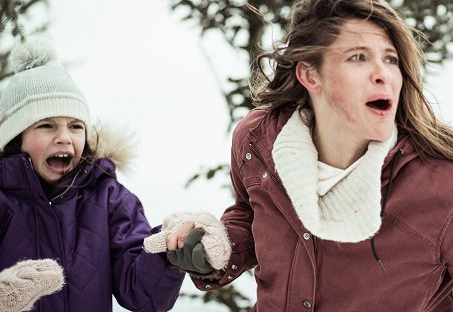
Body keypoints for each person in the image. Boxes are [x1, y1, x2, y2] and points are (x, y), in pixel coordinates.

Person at [144, 0, 453, 311]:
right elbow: (251, 215)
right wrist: (218, 245)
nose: (383, 74)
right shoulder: (257, 141)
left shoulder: (442, 183)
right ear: (310, 75)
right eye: (358, 57)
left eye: (390, 59)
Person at [0, 37, 184, 312]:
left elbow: (144, 295)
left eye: (76, 126)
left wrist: (168, 253)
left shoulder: (107, 197)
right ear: (16, 138)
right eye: (46, 125)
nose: (64, 138)